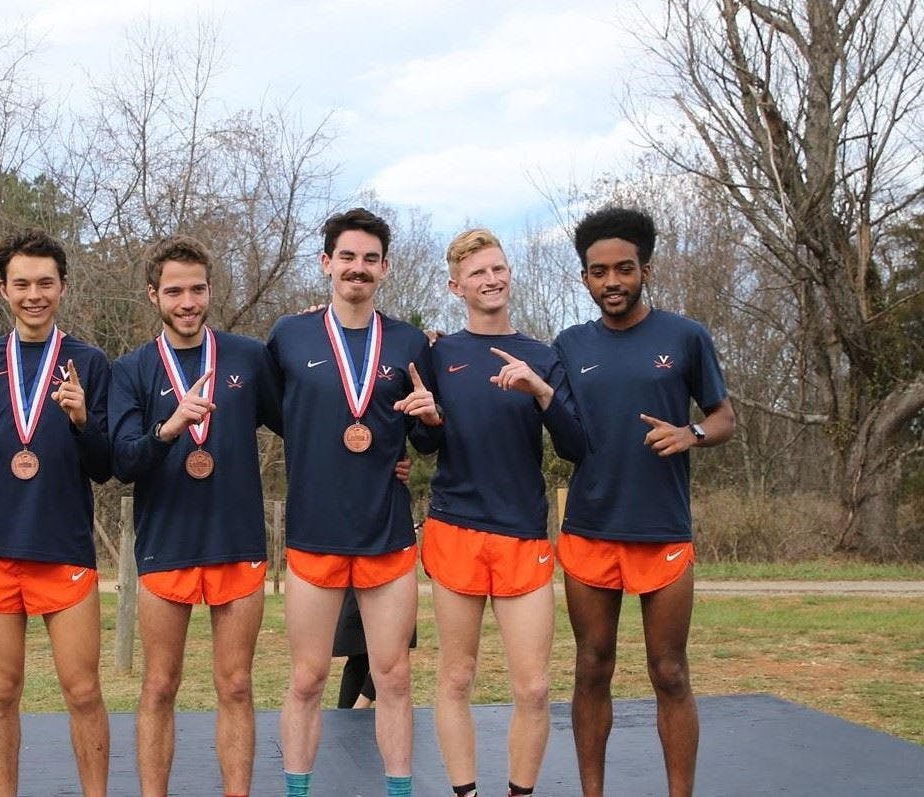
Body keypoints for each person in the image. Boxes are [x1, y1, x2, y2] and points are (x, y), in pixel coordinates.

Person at [553, 207, 735, 797]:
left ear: (645, 270)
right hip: (589, 530)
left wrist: (692, 434)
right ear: (584, 278)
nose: (612, 281)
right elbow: (545, 411)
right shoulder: (570, 344)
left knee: (670, 671)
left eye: (624, 269)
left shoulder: (685, 336)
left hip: (662, 529)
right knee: (592, 667)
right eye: (599, 271)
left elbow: (723, 417)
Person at [405, 228, 585, 797]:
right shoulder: (438, 353)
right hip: (455, 527)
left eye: (499, 269)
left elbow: (576, 445)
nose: (492, 280)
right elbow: (424, 442)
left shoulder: (542, 355)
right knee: (456, 676)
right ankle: (465, 791)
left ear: (510, 275)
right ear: (457, 286)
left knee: (532, 688)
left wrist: (542, 392)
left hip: (521, 533)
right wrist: (429, 418)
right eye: (478, 273)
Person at [268, 207, 433, 797]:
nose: (357, 269)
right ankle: (297, 791)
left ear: (385, 268)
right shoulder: (290, 335)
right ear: (326, 263)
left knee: (393, 677)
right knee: (308, 678)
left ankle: (399, 792)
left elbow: (429, 433)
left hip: (386, 534)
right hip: (313, 534)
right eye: (347, 257)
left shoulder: (411, 340)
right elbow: (277, 414)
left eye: (369, 259)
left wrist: (429, 423)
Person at [109, 235, 281, 797]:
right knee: (160, 685)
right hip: (166, 545)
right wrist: (169, 428)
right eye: (175, 291)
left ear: (211, 290)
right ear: (153, 295)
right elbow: (123, 462)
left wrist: (387, 457)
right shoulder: (132, 368)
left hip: (236, 541)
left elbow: (306, 423)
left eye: (198, 289)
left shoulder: (249, 357)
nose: (188, 302)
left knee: (235, 685)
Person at [0, 229, 111, 796]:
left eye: (45, 282)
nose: (34, 294)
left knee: (83, 691)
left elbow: (104, 466)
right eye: (21, 283)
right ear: (3, 289)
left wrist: (81, 421)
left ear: (63, 287)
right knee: (1, 690)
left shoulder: (90, 363)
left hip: (64, 549)